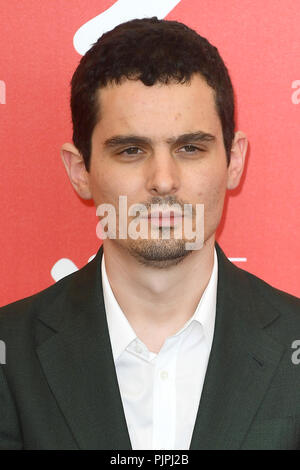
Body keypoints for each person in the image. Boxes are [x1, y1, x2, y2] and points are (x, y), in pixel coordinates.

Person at [0, 17, 299, 451]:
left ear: (234, 161)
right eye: (131, 150)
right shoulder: (10, 355)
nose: (163, 180)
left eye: (190, 148)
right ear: (80, 170)